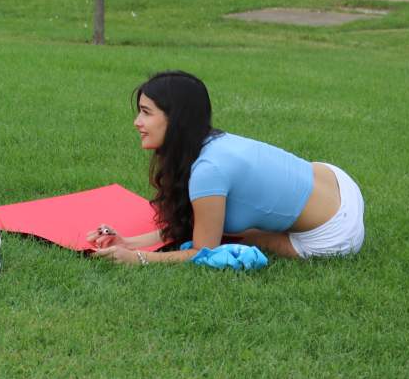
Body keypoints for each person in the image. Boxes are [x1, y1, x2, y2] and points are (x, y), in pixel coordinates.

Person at [89, 71, 365, 264]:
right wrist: (127, 242)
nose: (137, 122)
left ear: (176, 119)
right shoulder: (213, 142)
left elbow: (203, 250)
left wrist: (138, 259)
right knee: (226, 223)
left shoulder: (208, 169)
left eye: (146, 113)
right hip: (337, 182)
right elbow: (189, 224)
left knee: (245, 238)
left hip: (335, 234)